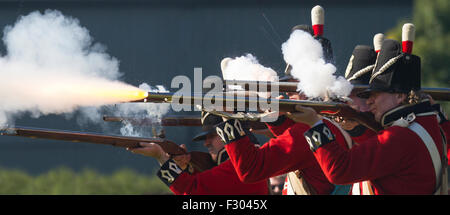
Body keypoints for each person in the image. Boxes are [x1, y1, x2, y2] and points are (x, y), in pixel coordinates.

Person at [289, 32, 447, 195]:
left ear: (400, 95)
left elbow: (339, 171)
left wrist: (315, 125)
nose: (370, 101)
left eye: (376, 94)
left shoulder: (400, 137)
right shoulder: (427, 124)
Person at [128, 111, 269, 195]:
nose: (206, 143)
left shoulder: (237, 167)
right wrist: (185, 168)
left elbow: (192, 190)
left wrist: (161, 157)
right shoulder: (249, 161)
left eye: (212, 136)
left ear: (230, 133)